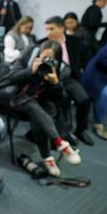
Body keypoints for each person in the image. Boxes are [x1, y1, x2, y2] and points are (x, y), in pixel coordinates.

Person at [0, 41, 81, 176]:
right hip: (16, 98)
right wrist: (30, 71)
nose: (45, 61)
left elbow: (60, 99)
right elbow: (11, 77)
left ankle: (49, 158)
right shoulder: (29, 55)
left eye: (50, 59)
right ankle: (60, 144)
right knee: (33, 107)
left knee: (37, 114)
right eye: (43, 57)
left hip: (38, 104)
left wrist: (55, 83)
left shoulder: (63, 69)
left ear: (57, 59)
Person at [43, 16, 93, 146]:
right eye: (47, 29)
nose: (48, 32)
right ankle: (64, 133)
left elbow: (86, 54)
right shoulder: (42, 43)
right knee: (62, 100)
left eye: (52, 29)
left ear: (62, 28)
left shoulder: (74, 41)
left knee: (84, 99)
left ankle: (81, 130)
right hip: (51, 80)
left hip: (70, 77)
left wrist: (81, 69)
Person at [81, 43, 107, 140]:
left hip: (103, 76)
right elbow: (101, 61)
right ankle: (98, 125)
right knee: (105, 94)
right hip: (95, 77)